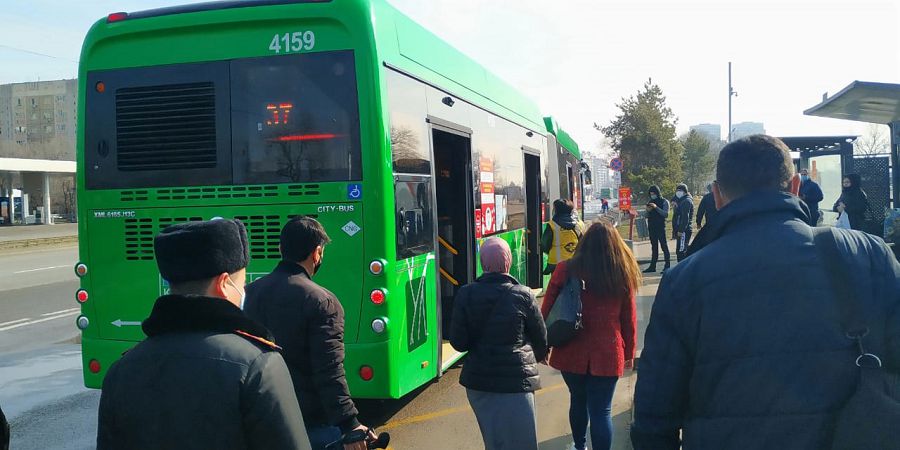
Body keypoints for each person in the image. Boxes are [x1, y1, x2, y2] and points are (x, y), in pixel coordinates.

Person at [632, 135, 900, 449]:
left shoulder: (684, 280)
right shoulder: (869, 255)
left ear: (717, 197)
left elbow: (654, 419)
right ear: (797, 185)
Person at [97, 219, 311, 450]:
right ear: (223, 284)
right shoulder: (258, 364)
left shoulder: (122, 370)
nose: (244, 290)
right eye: (242, 282)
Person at [244, 216, 371, 450]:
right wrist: (349, 423)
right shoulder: (322, 301)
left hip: (263, 412)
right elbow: (329, 368)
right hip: (311, 420)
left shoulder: (250, 292)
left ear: (281, 249)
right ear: (317, 253)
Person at [541, 222, 639, 450]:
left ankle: (579, 445)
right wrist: (629, 351)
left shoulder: (566, 269)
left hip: (570, 350)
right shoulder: (622, 271)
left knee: (578, 401)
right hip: (608, 351)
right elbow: (629, 319)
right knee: (601, 410)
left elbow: (547, 310)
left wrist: (543, 343)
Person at [449, 237, 548, 450]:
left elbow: (458, 343)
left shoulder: (465, 294)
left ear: (483, 264)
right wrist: (534, 357)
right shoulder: (524, 294)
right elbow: (541, 341)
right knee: (523, 443)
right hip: (517, 383)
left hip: (480, 383)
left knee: (494, 442)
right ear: (509, 262)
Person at [542, 199, 586, 275]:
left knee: (557, 285)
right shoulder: (580, 224)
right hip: (575, 262)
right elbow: (584, 244)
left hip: (556, 264)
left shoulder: (552, 225)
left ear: (556, 211)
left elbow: (544, 245)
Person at [643, 185, 670, 273]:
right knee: (654, 247)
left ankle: (667, 265)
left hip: (660, 227)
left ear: (657, 193)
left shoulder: (664, 201)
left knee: (664, 246)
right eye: (651, 194)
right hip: (652, 227)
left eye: (654, 193)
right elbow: (646, 215)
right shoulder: (650, 201)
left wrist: (656, 207)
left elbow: (665, 214)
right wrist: (647, 210)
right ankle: (652, 266)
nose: (652, 195)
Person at [671, 183, 694, 261]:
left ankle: (683, 270)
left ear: (684, 191)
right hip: (680, 229)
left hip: (684, 230)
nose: (678, 192)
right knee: (681, 250)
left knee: (681, 251)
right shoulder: (681, 200)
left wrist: (681, 230)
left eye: (680, 190)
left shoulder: (686, 201)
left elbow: (685, 217)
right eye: (677, 190)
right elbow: (673, 198)